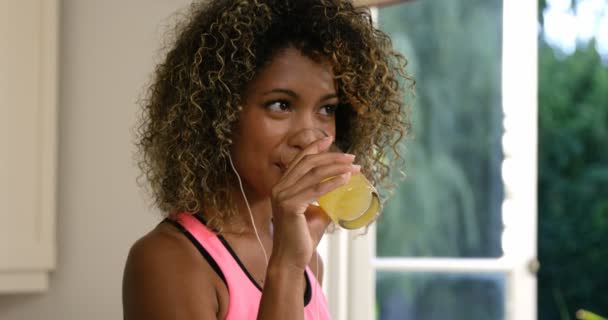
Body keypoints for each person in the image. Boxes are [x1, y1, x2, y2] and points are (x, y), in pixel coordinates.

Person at [122, 0, 412, 319]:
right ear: (219, 114)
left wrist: (294, 260)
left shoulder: (307, 258)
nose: (309, 135)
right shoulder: (169, 260)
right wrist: (286, 267)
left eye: (327, 109)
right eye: (280, 105)